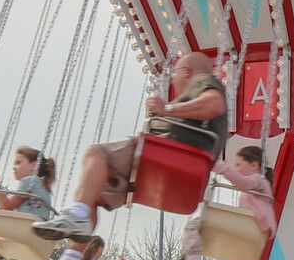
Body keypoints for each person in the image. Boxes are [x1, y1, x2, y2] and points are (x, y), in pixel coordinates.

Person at [37, 50, 228, 243]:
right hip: (182, 169)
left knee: (95, 154)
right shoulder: (191, 105)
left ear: (186, 72)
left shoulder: (202, 81)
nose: (173, 79)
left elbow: (215, 104)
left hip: (173, 155)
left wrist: (167, 109)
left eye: (175, 73)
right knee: (92, 193)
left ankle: (77, 217)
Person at [165, 144, 276, 260]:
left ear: (254, 165)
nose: (235, 169)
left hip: (252, 227)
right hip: (250, 228)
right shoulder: (255, 190)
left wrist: (218, 166)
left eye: (238, 165)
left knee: (194, 226)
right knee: (197, 232)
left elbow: (242, 182)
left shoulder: (259, 180)